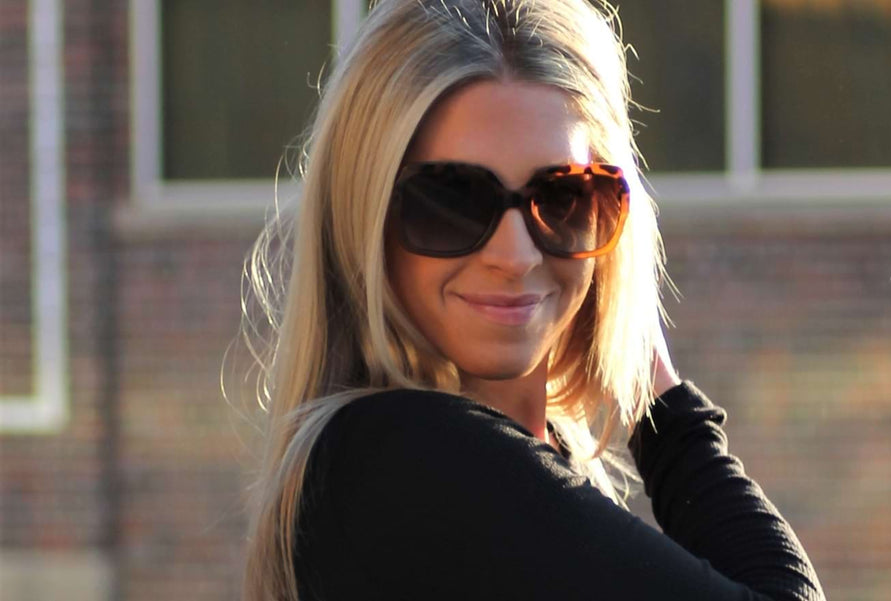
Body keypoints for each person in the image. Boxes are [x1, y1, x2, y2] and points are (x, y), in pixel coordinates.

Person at [239, 0, 827, 599]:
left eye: (565, 197)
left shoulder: (528, 460)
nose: (515, 255)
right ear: (362, 219)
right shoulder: (405, 458)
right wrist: (670, 416)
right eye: (451, 201)